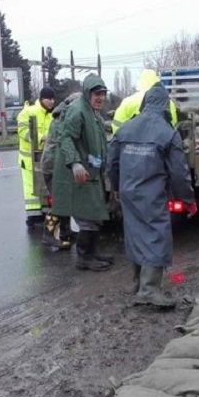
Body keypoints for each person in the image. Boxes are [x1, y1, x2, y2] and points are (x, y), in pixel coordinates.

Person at [109, 85, 196, 308]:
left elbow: (112, 162)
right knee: (157, 235)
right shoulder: (168, 133)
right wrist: (187, 199)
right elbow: (179, 172)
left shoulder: (126, 129)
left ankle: (137, 283)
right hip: (152, 194)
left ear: (145, 102)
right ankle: (149, 289)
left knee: (135, 233)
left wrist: (116, 187)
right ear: (165, 104)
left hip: (128, 192)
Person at [51, 74, 114, 271]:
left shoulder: (93, 112)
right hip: (78, 175)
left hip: (90, 172)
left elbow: (95, 143)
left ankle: (92, 253)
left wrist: (101, 163)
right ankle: (84, 258)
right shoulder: (78, 111)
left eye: (103, 94)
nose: (100, 97)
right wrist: (75, 163)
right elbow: (66, 138)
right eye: (97, 93)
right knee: (87, 216)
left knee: (95, 213)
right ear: (88, 93)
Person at [40, 92, 82, 251]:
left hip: (56, 164)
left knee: (65, 199)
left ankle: (65, 232)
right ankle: (48, 234)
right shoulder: (61, 121)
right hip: (53, 166)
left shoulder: (61, 118)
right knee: (60, 200)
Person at [17, 87, 56, 228]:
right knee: (31, 190)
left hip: (45, 157)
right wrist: (40, 138)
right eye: (48, 98)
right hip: (28, 159)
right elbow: (23, 131)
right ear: (41, 98)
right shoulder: (28, 111)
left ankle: (45, 214)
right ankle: (33, 218)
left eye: (53, 99)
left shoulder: (52, 115)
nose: (51, 102)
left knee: (45, 186)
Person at [111, 69, 178, 134]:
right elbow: (173, 126)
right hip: (160, 143)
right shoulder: (169, 103)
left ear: (140, 82)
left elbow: (117, 124)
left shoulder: (128, 101)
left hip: (132, 143)